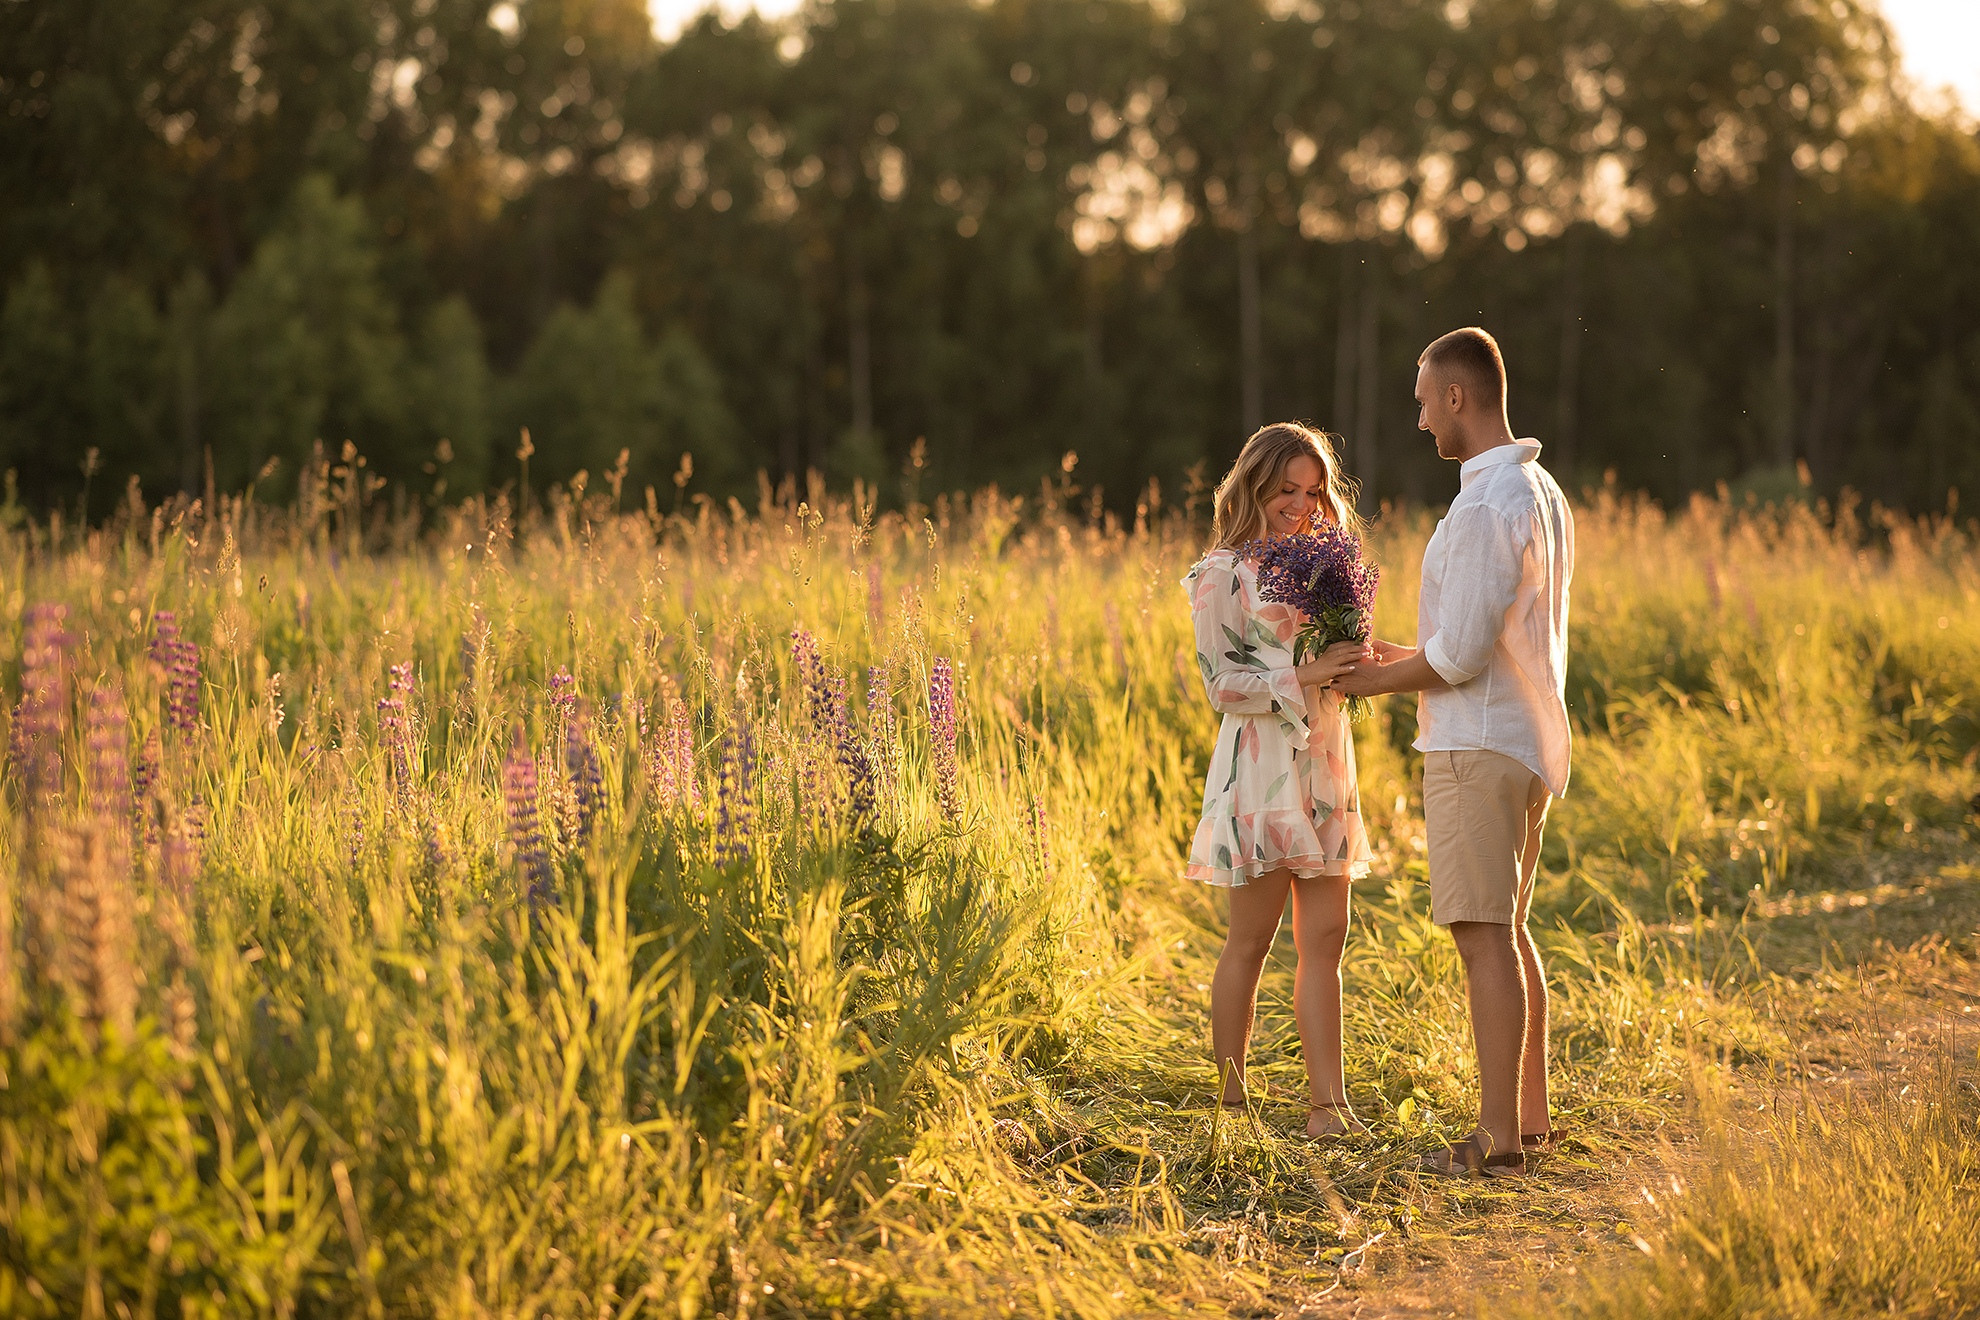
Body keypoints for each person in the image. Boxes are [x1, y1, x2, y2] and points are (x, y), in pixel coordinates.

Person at [1335, 327, 1575, 1177]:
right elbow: (1482, 639)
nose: (1420, 420)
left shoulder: (1481, 507)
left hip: (1477, 746)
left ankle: (1495, 1141)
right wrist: (1395, 654)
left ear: (1457, 397)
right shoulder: (1539, 489)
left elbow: (1463, 657)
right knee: (1508, 930)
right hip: (1523, 740)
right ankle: (1529, 1123)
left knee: (1483, 941)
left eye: (1424, 402)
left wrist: (1371, 682)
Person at [1183, 422, 1374, 1139]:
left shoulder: (1325, 566)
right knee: (1252, 941)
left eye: (1314, 492)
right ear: (1254, 487)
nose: (1300, 505)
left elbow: (1346, 655)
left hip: (1324, 764)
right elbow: (1221, 686)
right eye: (1286, 490)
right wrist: (1309, 672)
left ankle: (1328, 1108)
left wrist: (1399, 661)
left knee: (1326, 939)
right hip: (1260, 772)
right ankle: (1232, 1108)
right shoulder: (1221, 572)